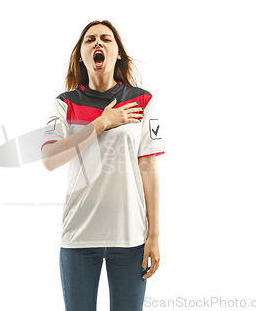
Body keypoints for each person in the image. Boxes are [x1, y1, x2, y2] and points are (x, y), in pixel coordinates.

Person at [41, 19, 165, 311]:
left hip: (131, 237)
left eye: (106, 39)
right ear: (80, 55)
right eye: (90, 40)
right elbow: (50, 159)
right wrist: (101, 123)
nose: (98, 43)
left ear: (117, 52)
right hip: (79, 238)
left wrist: (154, 235)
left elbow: (148, 171)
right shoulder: (64, 104)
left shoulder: (141, 101)